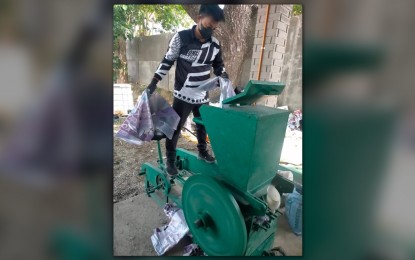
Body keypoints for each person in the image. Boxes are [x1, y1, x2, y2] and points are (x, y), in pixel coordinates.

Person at [147, 5, 228, 176]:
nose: (210, 31)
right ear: (199, 18)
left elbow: (218, 65)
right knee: (175, 128)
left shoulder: (215, 45)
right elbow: (168, 60)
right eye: (207, 27)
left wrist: (223, 76)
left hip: (202, 95)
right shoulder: (181, 38)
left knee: (202, 125)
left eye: (213, 29)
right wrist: (155, 80)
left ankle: (202, 151)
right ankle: (170, 159)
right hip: (183, 94)